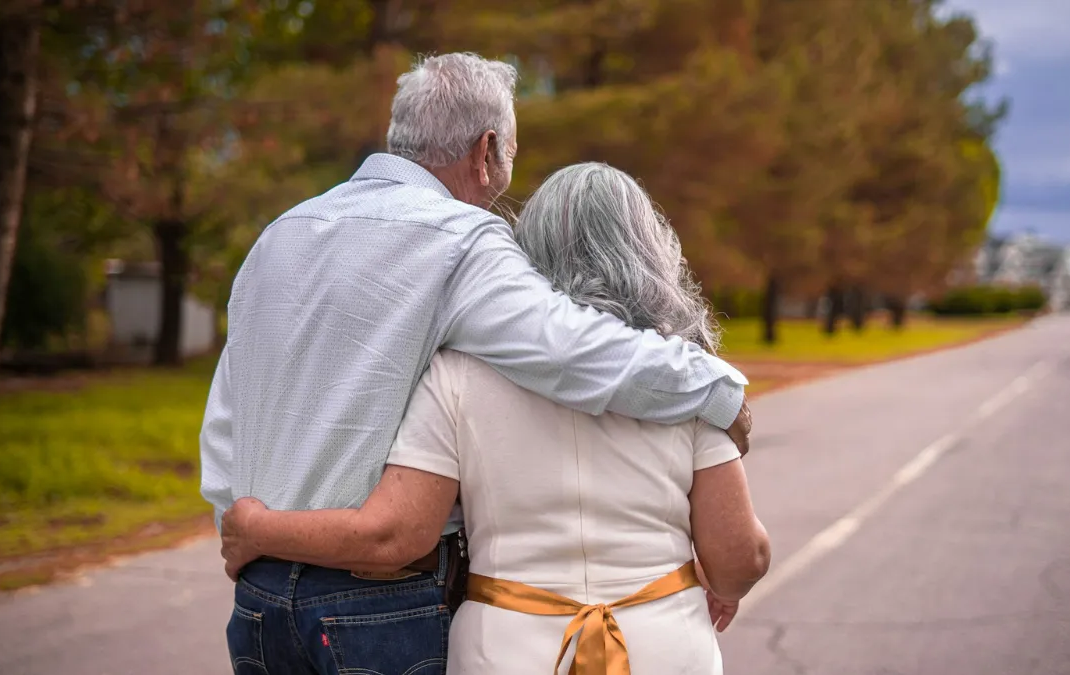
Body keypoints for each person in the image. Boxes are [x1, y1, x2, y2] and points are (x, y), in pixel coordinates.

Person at [199, 53, 753, 675]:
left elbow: (227, 412)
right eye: (511, 153)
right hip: (379, 603)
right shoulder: (463, 239)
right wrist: (716, 387)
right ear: (487, 150)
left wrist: (244, 529)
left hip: (258, 599)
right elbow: (572, 351)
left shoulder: (279, 234)